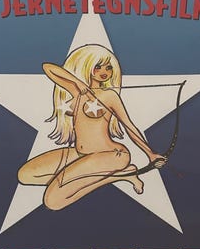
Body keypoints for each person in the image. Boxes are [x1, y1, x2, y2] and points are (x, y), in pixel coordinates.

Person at [17, 44, 167, 210]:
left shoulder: (109, 95)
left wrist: (150, 154)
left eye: (109, 67)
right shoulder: (76, 91)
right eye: (98, 66)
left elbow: (129, 126)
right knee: (25, 175)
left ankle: (121, 175)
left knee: (52, 202)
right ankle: (113, 175)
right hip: (81, 153)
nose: (104, 71)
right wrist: (77, 82)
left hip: (112, 155)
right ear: (88, 66)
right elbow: (48, 68)